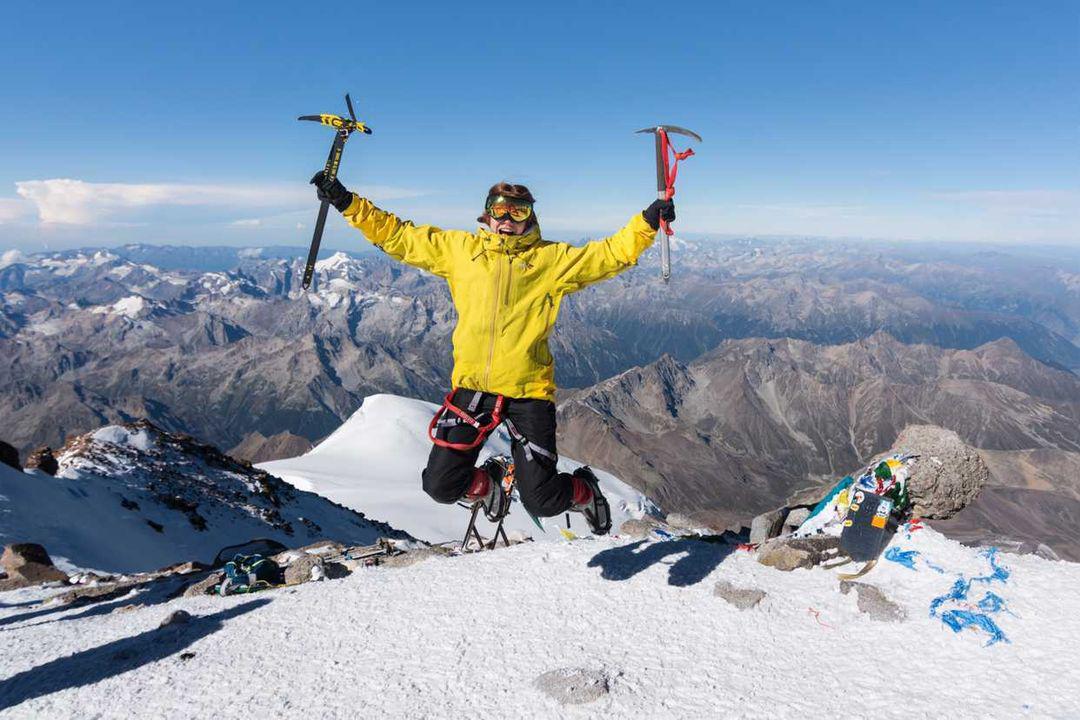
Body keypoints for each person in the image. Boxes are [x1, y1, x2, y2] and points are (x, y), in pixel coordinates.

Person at [311, 172, 674, 534]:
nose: (507, 220)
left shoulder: (551, 260)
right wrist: (346, 201)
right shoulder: (459, 251)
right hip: (473, 389)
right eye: (499, 211)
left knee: (543, 500)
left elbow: (608, 255)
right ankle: (487, 485)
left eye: (518, 213)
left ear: (530, 218)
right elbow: (398, 236)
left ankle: (583, 491)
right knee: (439, 486)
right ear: (486, 215)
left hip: (528, 393)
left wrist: (647, 222)